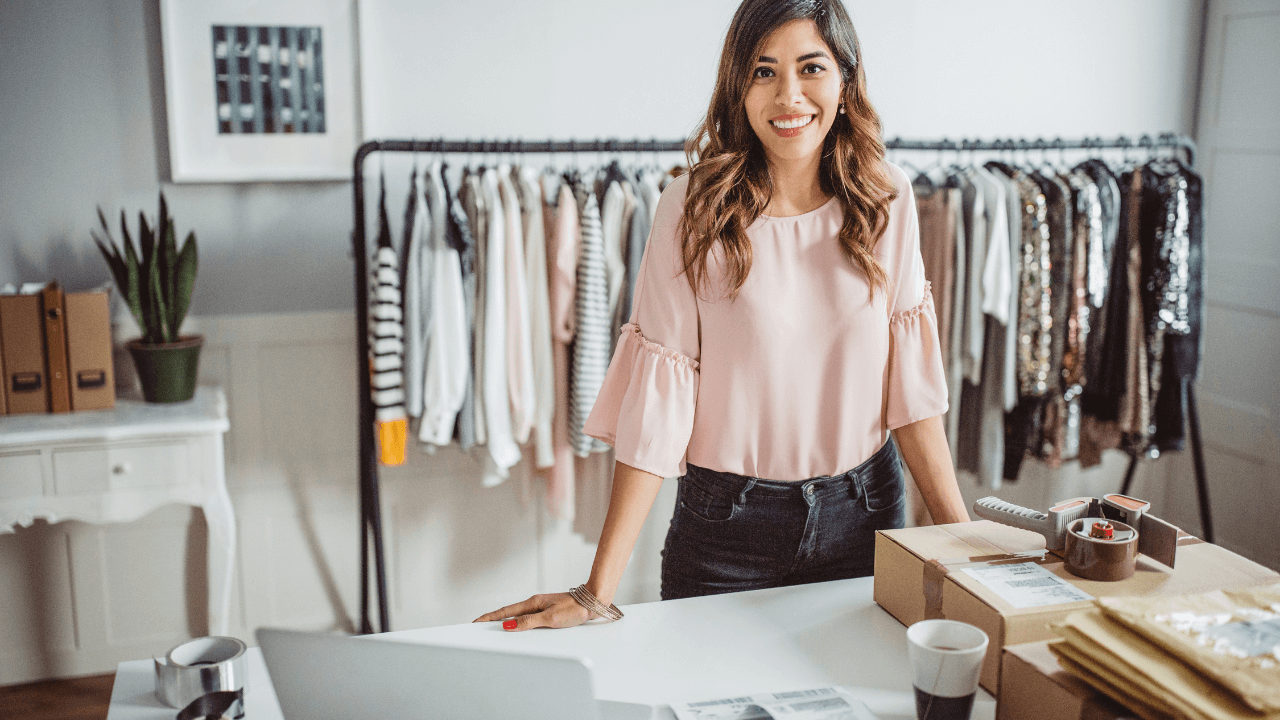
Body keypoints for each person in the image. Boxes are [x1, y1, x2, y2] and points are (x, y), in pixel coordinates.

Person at [475, 0, 970, 632]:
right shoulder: (693, 209)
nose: (788, 95)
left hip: (866, 512)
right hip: (725, 529)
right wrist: (597, 591)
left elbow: (912, 396)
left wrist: (962, 543)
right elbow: (660, 407)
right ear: (738, 85)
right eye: (763, 72)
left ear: (846, 80)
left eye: (810, 67)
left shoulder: (886, 200)